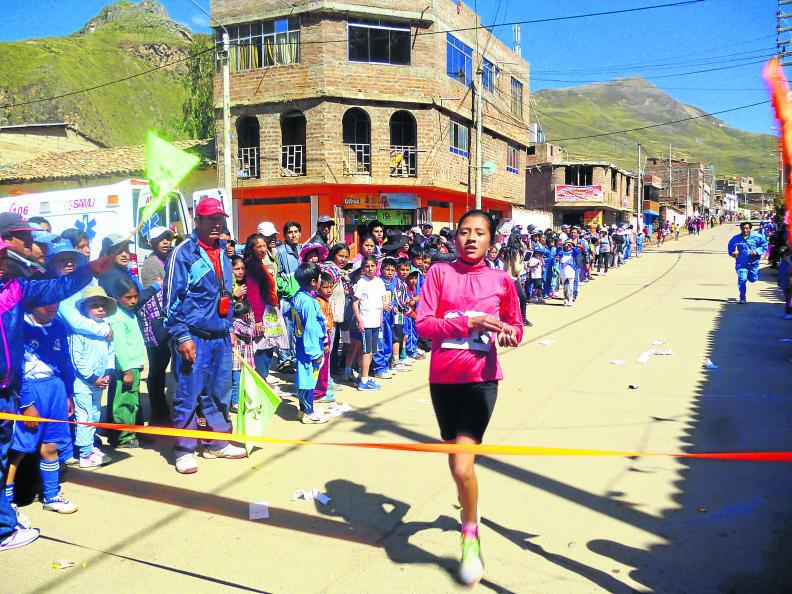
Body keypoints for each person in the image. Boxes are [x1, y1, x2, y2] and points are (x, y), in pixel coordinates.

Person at [415, 209, 523, 586]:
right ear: (454, 238)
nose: (471, 238)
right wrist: (469, 321)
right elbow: (423, 324)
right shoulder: (438, 274)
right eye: (464, 232)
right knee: (457, 461)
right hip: (443, 381)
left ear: (491, 240)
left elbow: (515, 324)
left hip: (482, 380)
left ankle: (470, 535)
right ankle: (468, 508)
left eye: (479, 233)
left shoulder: (502, 280)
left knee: (462, 466)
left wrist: (510, 334)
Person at [0, 239, 111, 551]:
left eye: (3, 258)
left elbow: (55, 290)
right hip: (25, 392)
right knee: (14, 453)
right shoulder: (20, 311)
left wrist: (89, 270)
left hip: (30, 389)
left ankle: (32, 506)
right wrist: (27, 401)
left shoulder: (13, 289)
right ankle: (7, 519)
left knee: (39, 448)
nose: (2, 265)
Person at [162, 198, 246, 475]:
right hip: (193, 337)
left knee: (219, 391)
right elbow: (170, 301)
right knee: (188, 393)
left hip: (220, 335)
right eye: (209, 219)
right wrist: (182, 335)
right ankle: (184, 449)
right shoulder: (183, 253)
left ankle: (217, 442)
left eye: (219, 218)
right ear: (196, 221)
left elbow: (227, 293)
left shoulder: (223, 250)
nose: (216, 223)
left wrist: (230, 328)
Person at [5, 302, 78, 521]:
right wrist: (26, 403)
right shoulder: (17, 326)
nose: (52, 307)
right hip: (29, 391)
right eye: (45, 302)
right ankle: (7, 506)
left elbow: (65, 361)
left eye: (55, 302)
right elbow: (16, 369)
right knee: (18, 450)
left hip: (55, 387)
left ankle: (51, 495)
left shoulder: (58, 325)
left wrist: (68, 393)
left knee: (51, 444)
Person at [69, 286, 116, 468]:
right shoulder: (78, 331)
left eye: (102, 306)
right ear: (85, 309)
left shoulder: (107, 328)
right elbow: (76, 358)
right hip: (82, 383)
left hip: (99, 382)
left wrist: (107, 374)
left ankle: (90, 446)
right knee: (84, 416)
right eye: (95, 306)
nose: (100, 309)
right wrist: (92, 377)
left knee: (95, 414)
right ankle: (84, 453)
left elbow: (111, 352)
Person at [138, 226, 173, 426]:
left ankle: (161, 409)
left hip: (166, 318)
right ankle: (158, 411)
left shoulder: (167, 259)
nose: (166, 242)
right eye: (161, 239)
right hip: (157, 321)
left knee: (163, 365)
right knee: (158, 367)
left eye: (168, 238)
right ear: (151, 243)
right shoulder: (151, 264)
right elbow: (156, 299)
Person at [107, 276, 146, 449]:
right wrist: (126, 370)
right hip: (126, 367)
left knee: (132, 401)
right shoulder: (117, 317)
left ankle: (131, 432)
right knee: (123, 403)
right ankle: (121, 437)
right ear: (116, 297)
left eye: (135, 297)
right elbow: (120, 346)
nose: (133, 301)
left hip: (134, 365)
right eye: (128, 297)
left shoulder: (129, 313)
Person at [290, 263, 329, 424]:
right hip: (309, 346)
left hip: (300, 344)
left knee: (304, 376)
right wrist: (316, 352)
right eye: (320, 278)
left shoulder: (298, 297)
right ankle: (308, 412)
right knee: (308, 379)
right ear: (314, 281)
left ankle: (303, 408)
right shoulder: (309, 302)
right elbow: (311, 329)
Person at [245, 233, 283, 384]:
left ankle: (263, 377)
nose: (262, 249)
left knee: (268, 346)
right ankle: (261, 379)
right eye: (258, 246)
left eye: (264, 246)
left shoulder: (259, 263)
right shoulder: (252, 265)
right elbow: (254, 294)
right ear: (251, 248)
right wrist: (258, 320)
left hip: (267, 310)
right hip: (260, 313)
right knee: (262, 347)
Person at [352, 255, 386, 391]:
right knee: (366, 352)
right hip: (365, 322)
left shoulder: (379, 282)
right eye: (367, 266)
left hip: (376, 322)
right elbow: (355, 302)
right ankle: (363, 381)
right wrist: (359, 320)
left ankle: (363, 377)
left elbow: (382, 300)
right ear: (363, 268)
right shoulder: (361, 282)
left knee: (371, 351)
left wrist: (385, 308)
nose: (370, 269)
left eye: (373, 266)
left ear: (377, 266)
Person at [275, 221, 302, 372]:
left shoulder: (302, 249)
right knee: (286, 329)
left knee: (297, 329)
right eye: (290, 232)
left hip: (300, 297)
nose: (293, 235)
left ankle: (294, 358)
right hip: (287, 297)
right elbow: (277, 275)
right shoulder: (280, 252)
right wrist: (286, 289)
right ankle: (284, 360)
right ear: (285, 235)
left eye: (296, 231)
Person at [727, 221, 769, 304]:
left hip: (753, 263)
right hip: (741, 263)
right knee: (742, 279)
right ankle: (742, 297)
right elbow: (730, 247)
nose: (745, 230)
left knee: (753, 279)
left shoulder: (757, 236)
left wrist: (757, 251)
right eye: (743, 228)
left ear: (750, 229)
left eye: (747, 228)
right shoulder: (736, 238)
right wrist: (732, 253)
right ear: (741, 229)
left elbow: (765, 246)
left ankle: (752, 277)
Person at [312, 271, 336, 404]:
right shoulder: (318, 302)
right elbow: (321, 324)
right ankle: (319, 393)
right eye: (325, 287)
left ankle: (322, 389)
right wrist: (325, 341)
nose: (329, 290)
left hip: (327, 335)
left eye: (331, 287)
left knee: (325, 364)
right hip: (322, 338)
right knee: (321, 366)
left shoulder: (325, 300)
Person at [0, 213, 44, 280]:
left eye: (30, 234)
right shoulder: (7, 266)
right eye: (24, 235)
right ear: (5, 237)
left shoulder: (27, 260)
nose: (30, 239)